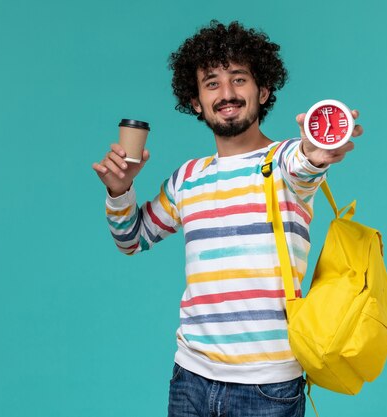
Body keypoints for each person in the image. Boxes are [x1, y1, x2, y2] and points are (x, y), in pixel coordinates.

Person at [92, 20, 363, 417]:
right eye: (212, 83)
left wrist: (316, 151)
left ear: (263, 91)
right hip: (190, 378)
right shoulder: (189, 178)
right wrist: (120, 190)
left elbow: (305, 165)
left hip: (267, 387)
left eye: (239, 79)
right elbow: (131, 238)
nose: (228, 93)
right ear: (197, 101)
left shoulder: (284, 161)